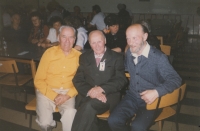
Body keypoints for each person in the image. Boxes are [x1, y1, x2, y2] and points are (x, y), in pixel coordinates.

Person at [108, 23, 182, 131]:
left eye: (134, 38)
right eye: (128, 38)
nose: (131, 42)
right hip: (132, 97)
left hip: (152, 100)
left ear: (145, 37)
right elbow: (127, 67)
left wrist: (156, 92)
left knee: (137, 127)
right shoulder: (129, 52)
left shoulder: (158, 57)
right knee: (113, 120)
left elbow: (176, 79)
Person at [71, 30, 127, 131]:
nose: (97, 46)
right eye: (93, 42)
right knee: (87, 110)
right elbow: (77, 79)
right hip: (88, 94)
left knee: (87, 107)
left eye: (99, 41)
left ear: (105, 40)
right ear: (89, 43)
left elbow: (121, 80)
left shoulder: (116, 57)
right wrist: (91, 91)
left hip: (108, 96)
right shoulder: (84, 57)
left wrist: (101, 89)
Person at [34, 26, 81, 131]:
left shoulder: (79, 57)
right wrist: (54, 95)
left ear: (74, 39)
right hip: (47, 90)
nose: (67, 41)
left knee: (70, 113)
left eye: (71, 37)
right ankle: (46, 119)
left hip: (67, 93)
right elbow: (38, 80)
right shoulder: (49, 53)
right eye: (64, 37)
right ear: (58, 37)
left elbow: (82, 81)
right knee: (45, 123)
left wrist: (68, 95)